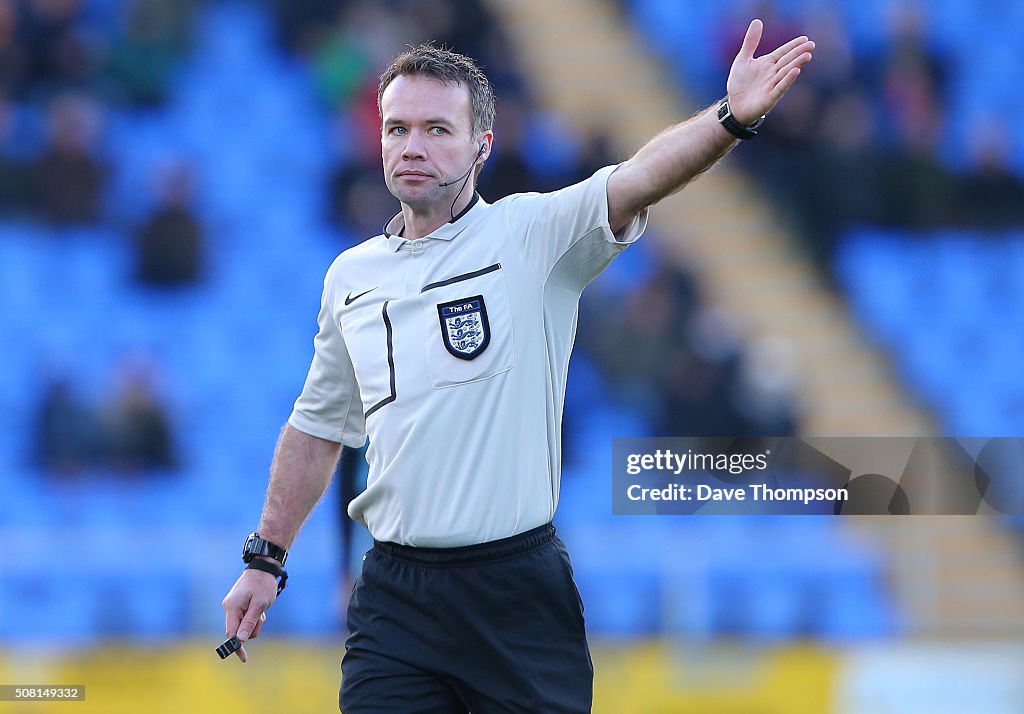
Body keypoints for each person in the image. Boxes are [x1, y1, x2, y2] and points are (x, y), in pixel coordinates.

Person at [222, 21, 813, 713]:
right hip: (395, 593)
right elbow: (317, 429)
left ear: (482, 145)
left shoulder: (531, 236)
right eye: (397, 128)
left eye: (438, 129)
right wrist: (266, 559)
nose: (413, 146)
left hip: (515, 588)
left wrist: (729, 118)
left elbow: (639, 178)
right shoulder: (351, 278)